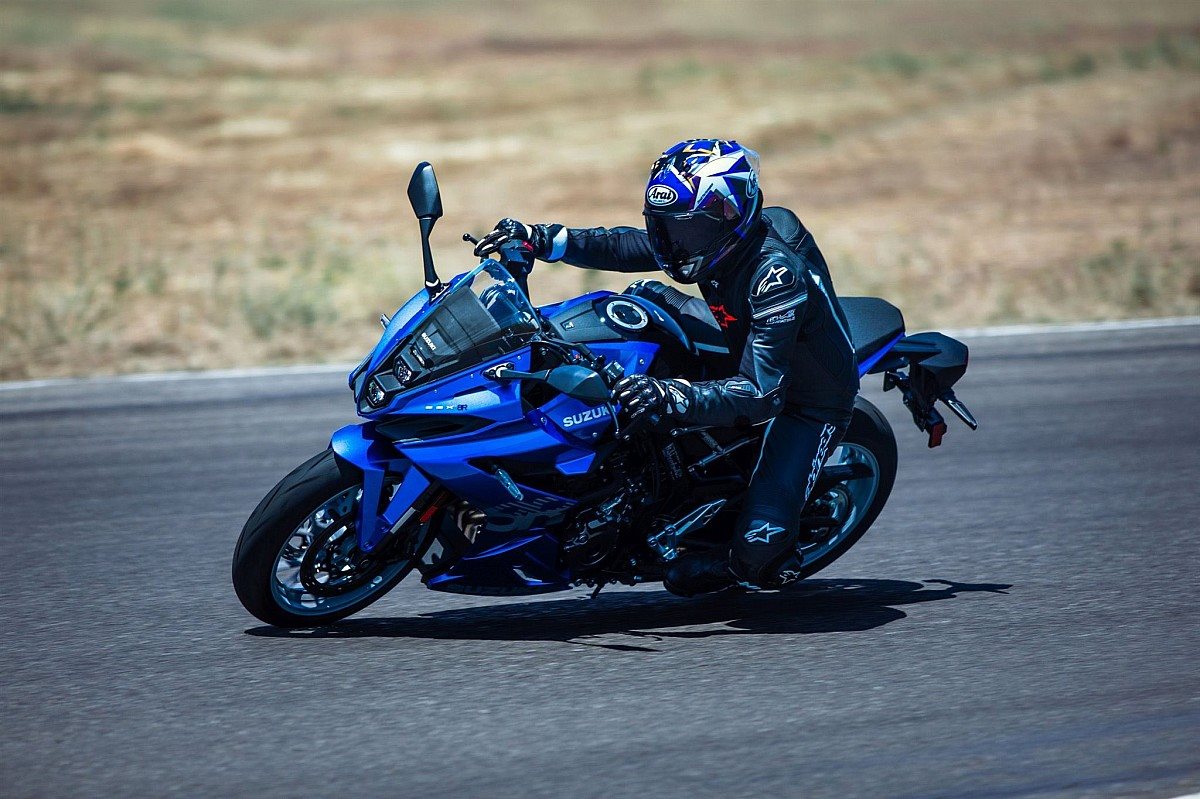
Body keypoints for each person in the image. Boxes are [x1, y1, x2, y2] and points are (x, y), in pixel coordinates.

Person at [474, 139, 858, 596]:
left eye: (685, 231)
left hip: (801, 400)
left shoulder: (775, 277)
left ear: (729, 214)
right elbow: (625, 246)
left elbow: (761, 394)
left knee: (759, 557)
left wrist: (670, 394)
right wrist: (542, 238)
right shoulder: (713, 237)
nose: (672, 246)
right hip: (737, 335)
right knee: (633, 309)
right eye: (664, 228)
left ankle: (746, 560)